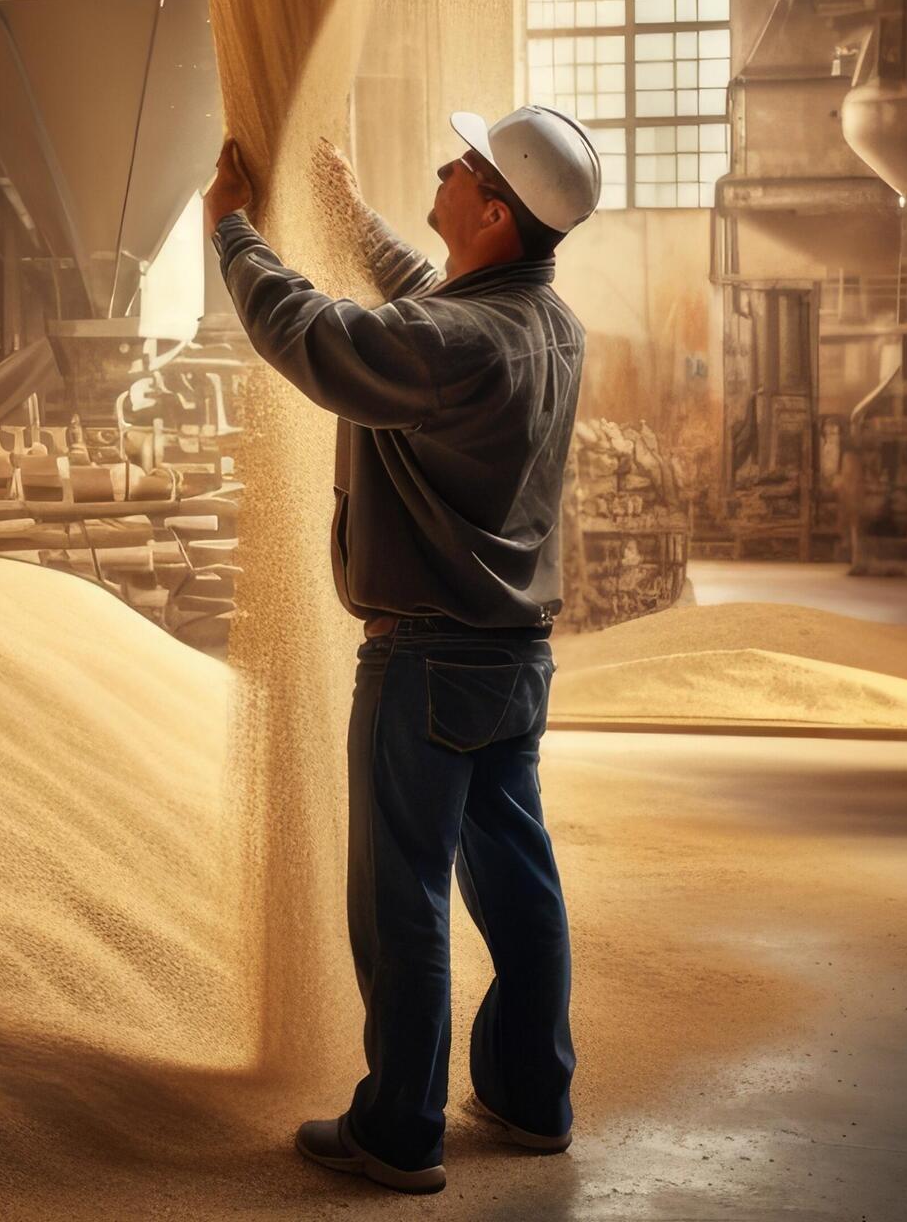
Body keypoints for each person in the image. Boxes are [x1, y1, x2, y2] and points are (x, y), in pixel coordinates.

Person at [201, 105, 603, 1197]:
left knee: (404, 896)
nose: (443, 164)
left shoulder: (452, 345)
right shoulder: (545, 325)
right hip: (513, 660)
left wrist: (234, 235)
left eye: (464, 164)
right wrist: (343, 207)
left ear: (493, 211)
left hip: (424, 660)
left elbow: (326, 340)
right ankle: (530, 1095)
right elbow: (424, 296)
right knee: (518, 883)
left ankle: (400, 1127)